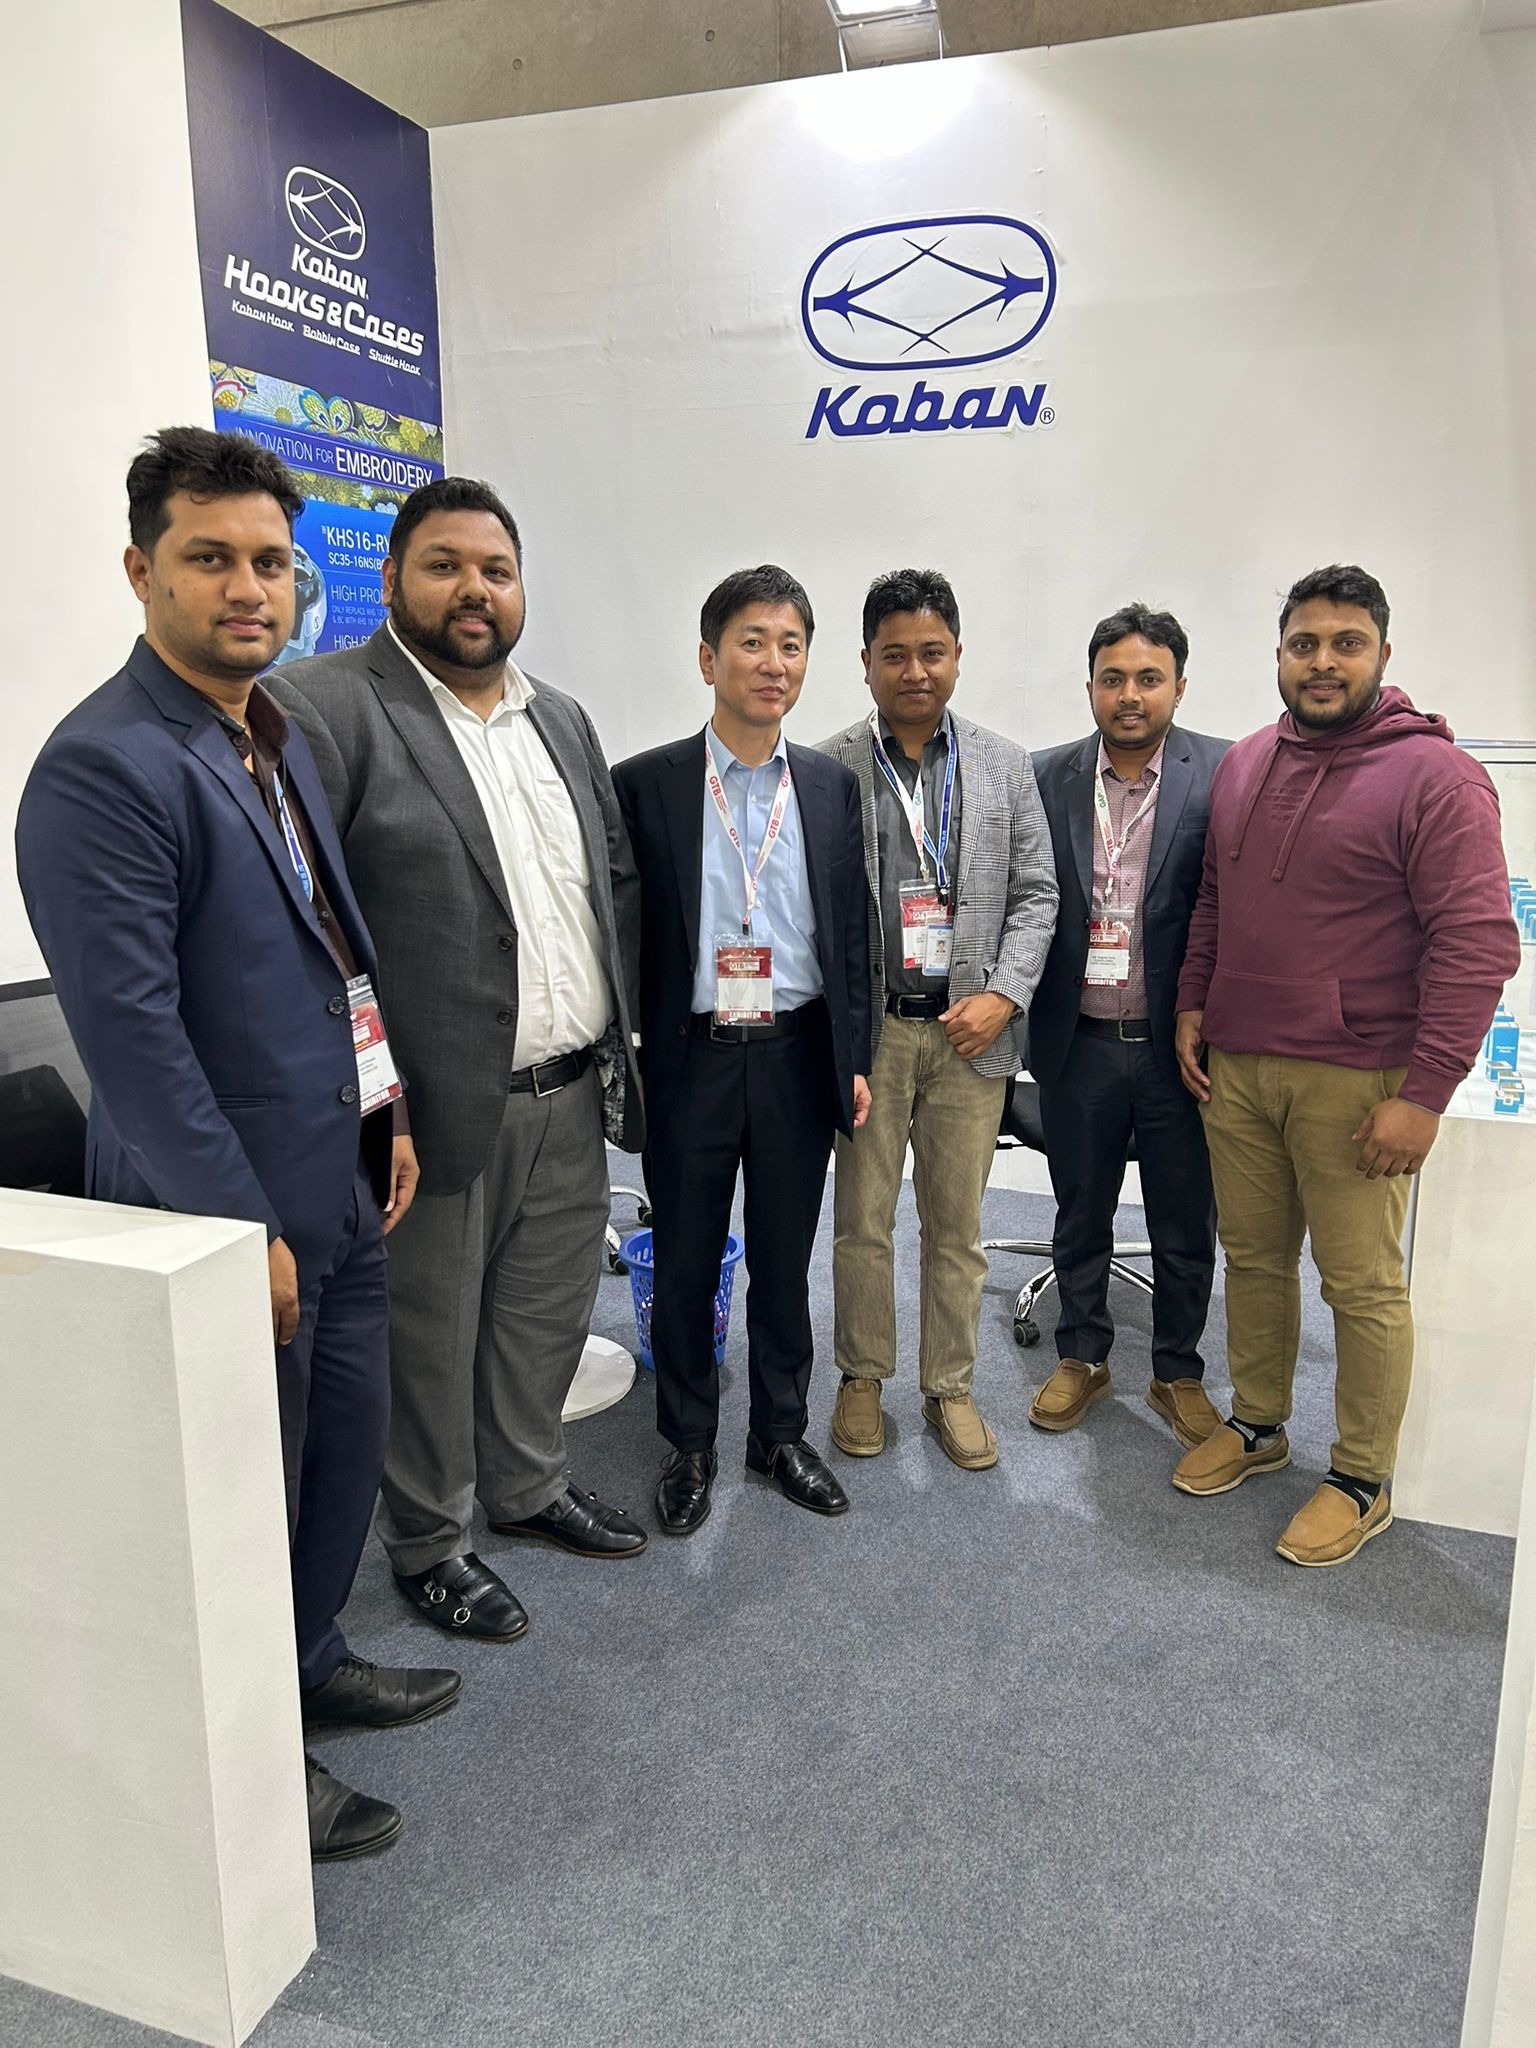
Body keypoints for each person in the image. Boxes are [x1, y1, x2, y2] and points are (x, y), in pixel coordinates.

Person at [15, 427, 458, 1862]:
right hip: (225, 1210)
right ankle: (254, 1763)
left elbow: (335, 956)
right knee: (237, 1499)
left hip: (341, 1177)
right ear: (141, 570)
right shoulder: (102, 766)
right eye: (210, 557)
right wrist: (239, 1229)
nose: (249, 587)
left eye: (270, 560)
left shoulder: (268, 732)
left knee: (335, 1459)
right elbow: (133, 1043)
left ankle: (312, 1659)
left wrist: (388, 1115)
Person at [271, 477, 647, 1645]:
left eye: (495, 569)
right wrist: (373, 1104)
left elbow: (605, 886)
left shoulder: (561, 718)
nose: (473, 589)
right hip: (428, 1107)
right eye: (444, 565)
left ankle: (527, 1484)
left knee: (544, 1310)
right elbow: (309, 930)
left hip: (568, 1086)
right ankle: (430, 1539)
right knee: (427, 1338)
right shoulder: (323, 705)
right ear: (392, 578)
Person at [1171, 564, 1519, 1565]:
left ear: (1383, 654)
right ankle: (1259, 1421)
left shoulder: (1437, 778)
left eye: (1346, 643)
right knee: (1253, 1259)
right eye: (1304, 644)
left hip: (1360, 1079)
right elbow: (1215, 899)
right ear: (1280, 653)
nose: (1322, 662)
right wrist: (1195, 999)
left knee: (1359, 1285)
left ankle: (1363, 1476)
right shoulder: (1246, 761)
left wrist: (1425, 1095)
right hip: (1238, 1068)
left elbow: (1477, 943)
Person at [613, 565, 871, 1534]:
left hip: (798, 1054)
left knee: (784, 1256)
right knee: (686, 1258)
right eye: (753, 641)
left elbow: (853, 933)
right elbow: (622, 937)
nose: (773, 662)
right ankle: (689, 1441)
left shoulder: (832, 786)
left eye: (790, 644)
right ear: (708, 658)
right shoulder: (647, 784)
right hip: (693, 1056)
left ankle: (780, 1433)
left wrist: (855, 1057)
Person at [818, 569, 1057, 1469]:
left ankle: (950, 1386)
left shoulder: (1004, 765)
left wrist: (1003, 995)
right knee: (863, 1221)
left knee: (956, 1227)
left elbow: (1038, 895)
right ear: (866, 663)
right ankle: (862, 1375)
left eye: (931, 652)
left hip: (972, 1034)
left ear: (958, 656)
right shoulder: (829, 766)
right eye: (895, 655)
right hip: (872, 1034)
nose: (914, 671)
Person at [1026, 604, 1230, 1447]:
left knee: (1185, 1223)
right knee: (1081, 1212)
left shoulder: (1223, 772)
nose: (1130, 695)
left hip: (1179, 1048)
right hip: (1077, 1042)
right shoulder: (1045, 776)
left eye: (1149, 678)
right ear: (1090, 688)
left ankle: (1178, 1371)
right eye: (1113, 679)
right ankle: (1082, 1355)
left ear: (1179, 686)